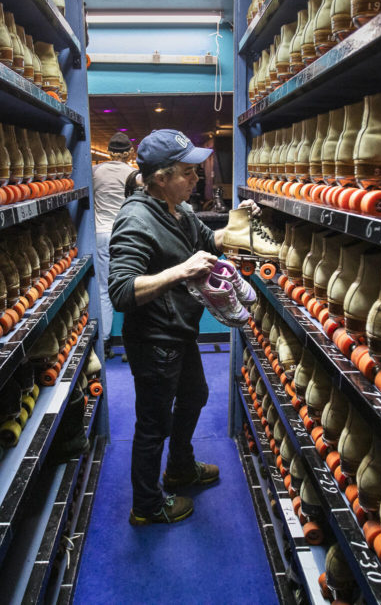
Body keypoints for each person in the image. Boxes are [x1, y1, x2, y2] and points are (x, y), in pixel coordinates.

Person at [108, 128, 259, 525]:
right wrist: (180, 271)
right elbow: (122, 291)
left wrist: (239, 222)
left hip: (179, 331)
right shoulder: (135, 219)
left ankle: (179, 467)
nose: (196, 180)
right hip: (154, 337)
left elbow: (212, 243)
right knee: (153, 422)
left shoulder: (182, 212)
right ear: (160, 178)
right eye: (187, 173)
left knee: (194, 394)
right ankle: (146, 506)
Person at [92, 132, 136, 359]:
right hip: (125, 233)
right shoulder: (133, 174)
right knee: (131, 286)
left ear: (108, 152)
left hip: (101, 234)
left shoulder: (95, 172)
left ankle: (105, 344)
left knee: (103, 290)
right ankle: (131, 346)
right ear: (129, 152)